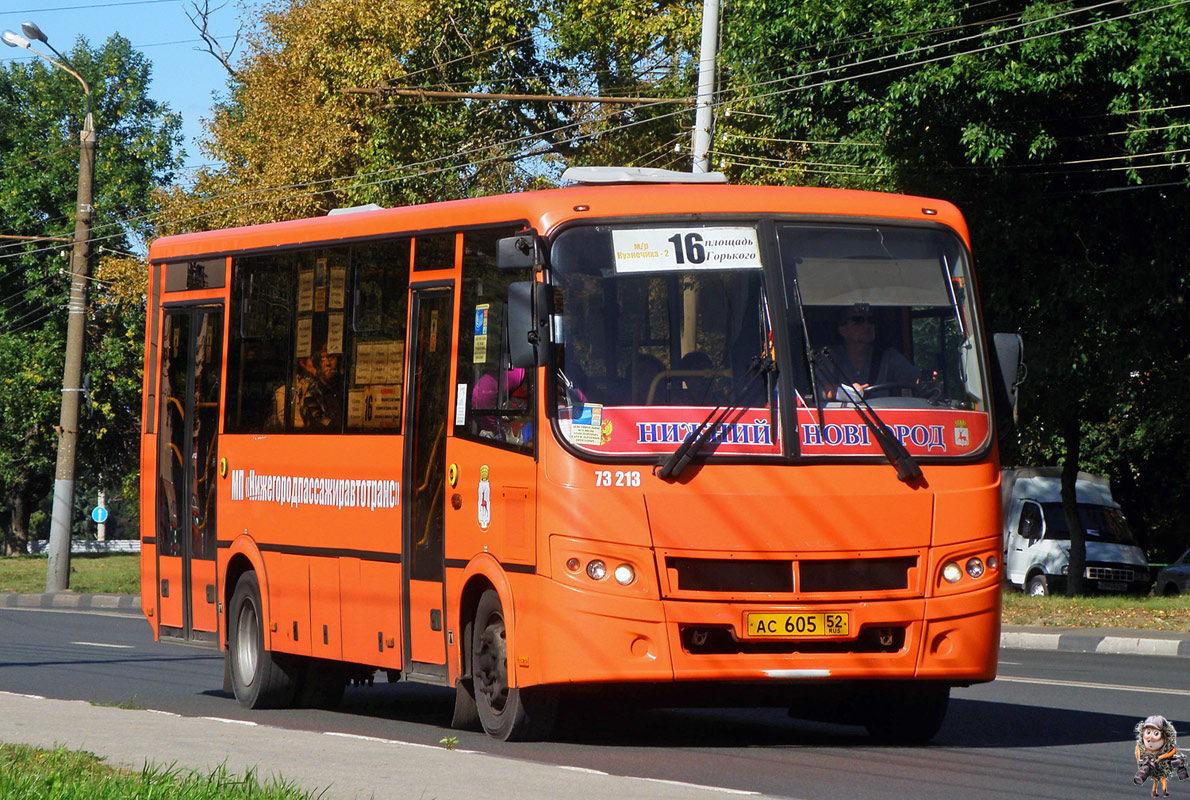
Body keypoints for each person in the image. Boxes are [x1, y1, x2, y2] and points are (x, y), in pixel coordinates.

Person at [821, 304, 927, 400]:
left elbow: (914, 379)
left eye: (871, 320)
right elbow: (821, 390)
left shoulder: (889, 357)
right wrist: (844, 393)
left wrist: (926, 381)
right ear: (842, 330)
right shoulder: (829, 357)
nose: (867, 326)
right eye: (858, 320)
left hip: (882, 419)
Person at [300, 346, 342, 429]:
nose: (328, 363)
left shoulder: (341, 390)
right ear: (318, 365)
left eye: (331, 357)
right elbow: (323, 424)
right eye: (323, 358)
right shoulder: (311, 395)